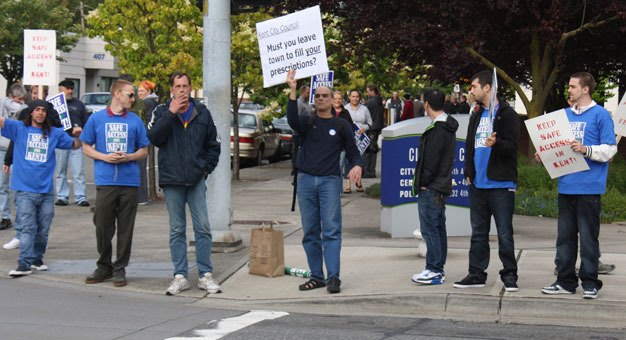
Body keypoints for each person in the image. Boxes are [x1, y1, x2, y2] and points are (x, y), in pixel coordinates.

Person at [541, 72, 617, 300]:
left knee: (588, 239)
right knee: (564, 239)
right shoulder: (563, 115)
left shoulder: (601, 115)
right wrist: (544, 153)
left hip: (589, 188)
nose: (569, 90)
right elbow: (556, 146)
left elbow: (610, 150)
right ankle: (565, 281)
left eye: (573, 87)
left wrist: (586, 149)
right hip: (566, 186)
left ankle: (591, 283)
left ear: (585, 90)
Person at [286, 69, 363, 294]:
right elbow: (291, 119)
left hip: (329, 181)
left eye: (324, 96)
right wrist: (292, 90)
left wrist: (357, 165)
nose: (320, 98)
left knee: (331, 231)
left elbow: (353, 151)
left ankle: (333, 277)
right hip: (306, 181)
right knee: (310, 231)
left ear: (332, 100)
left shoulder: (341, 125)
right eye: (317, 96)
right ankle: (316, 276)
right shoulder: (307, 123)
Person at [148, 72, 221, 296]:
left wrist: (205, 169)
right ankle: (180, 275)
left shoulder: (202, 113)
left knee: (203, 228)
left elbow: (214, 145)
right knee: (177, 229)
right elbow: (154, 138)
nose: (182, 90)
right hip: (172, 180)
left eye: (185, 86)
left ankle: (205, 275)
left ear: (190, 88)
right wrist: (170, 113)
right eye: (178, 86)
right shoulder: (161, 111)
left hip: (196, 179)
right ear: (171, 90)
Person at [454, 70, 520, 292]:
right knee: (478, 233)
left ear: (487, 88)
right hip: (478, 185)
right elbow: (469, 146)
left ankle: (509, 275)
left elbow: (512, 146)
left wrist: (497, 143)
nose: (470, 91)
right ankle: (476, 273)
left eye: (473, 87)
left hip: (500, 185)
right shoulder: (476, 114)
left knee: (504, 234)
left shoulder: (507, 114)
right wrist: (468, 170)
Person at [81, 79, 149, 287]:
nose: (133, 98)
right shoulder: (97, 119)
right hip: (105, 179)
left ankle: (120, 268)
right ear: (117, 94)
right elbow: (85, 146)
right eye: (130, 94)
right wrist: (104, 157)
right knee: (102, 225)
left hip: (129, 181)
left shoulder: (135, 120)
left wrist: (128, 157)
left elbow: (144, 150)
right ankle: (104, 265)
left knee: (126, 227)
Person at [1, 100, 80, 277]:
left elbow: (74, 145)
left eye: (43, 110)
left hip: (46, 191)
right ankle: (24, 264)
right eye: (36, 109)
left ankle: (37, 260)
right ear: (30, 112)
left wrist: (78, 135)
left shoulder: (54, 132)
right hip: (24, 190)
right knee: (28, 228)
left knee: (43, 230)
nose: (40, 113)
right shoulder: (19, 128)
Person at [410, 89, 458, 285]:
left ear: (427, 103)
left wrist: (423, 183)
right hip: (440, 186)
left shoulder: (437, 129)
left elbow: (430, 161)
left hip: (431, 187)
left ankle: (434, 270)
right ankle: (437, 268)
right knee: (437, 229)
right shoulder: (446, 126)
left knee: (430, 229)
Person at [54, 80, 90, 207]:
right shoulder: (54, 105)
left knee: (78, 171)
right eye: (67, 88)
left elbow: (86, 123)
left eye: (71, 88)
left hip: (76, 142)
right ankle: (62, 196)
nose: (70, 91)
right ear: (60, 89)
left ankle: (81, 196)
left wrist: (82, 134)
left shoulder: (79, 104)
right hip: (60, 143)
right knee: (60, 171)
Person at [0, 83, 27, 232]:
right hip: (1, 149)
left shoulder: (24, 109)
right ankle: (5, 217)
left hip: (17, 150)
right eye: (18, 99)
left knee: (17, 186)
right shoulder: (3, 104)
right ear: (11, 97)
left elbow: (21, 111)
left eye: (22, 100)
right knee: (1, 186)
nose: (20, 103)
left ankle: (21, 217)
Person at [136, 80, 159, 206]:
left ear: (148, 91)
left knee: (139, 166)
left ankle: (140, 197)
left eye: (142, 91)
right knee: (141, 166)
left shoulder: (146, 103)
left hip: (143, 137)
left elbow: (146, 121)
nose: (139, 93)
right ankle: (142, 196)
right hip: (147, 137)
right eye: (138, 91)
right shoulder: (152, 102)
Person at [344, 89, 371, 193]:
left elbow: (370, 122)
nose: (355, 98)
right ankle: (347, 183)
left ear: (359, 98)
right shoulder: (345, 109)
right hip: (348, 138)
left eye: (357, 97)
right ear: (349, 97)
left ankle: (359, 181)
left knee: (360, 160)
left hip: (361, 139)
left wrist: (364, 128)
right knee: (347, 160)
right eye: (353, 96)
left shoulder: (364, 109)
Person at [332, 92, 355, 194]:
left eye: (339, 98)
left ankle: (338, 189)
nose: (337, 101)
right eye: (335, 98)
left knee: (340, 165)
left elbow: (350, 128)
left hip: (341, 144)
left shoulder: (345, 113)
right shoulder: (328, 111)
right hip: (329, 144)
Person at [363, 85, 384, 178]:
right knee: (373, 149)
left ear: (372, 91)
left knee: (368, 150)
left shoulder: (370, 102)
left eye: (368, 91)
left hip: (370, 128)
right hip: (377, 128)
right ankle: (372, 170)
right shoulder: (380, 101)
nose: (367, 93)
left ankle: (368, 171)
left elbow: (363, 114)